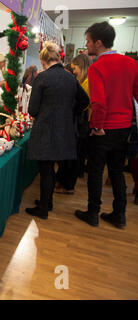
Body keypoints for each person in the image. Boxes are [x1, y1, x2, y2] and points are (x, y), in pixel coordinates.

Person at [75, 21, 138, 229]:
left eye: (88, 41)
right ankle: (119, 215)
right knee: (117, 171)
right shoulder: (131, 64)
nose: (87, 45)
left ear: (98, 43)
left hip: (104, 128)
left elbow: (99, 102)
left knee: (95, 171)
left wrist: (97, 126)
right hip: (124, 127)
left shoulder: (98, 67)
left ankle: (93, 212)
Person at [25, 42, 90, 219]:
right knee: (51, 168)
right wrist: (70, 114)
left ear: (44, 60)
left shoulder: (43, 78)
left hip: (45, 130)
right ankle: (48, 202)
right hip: (64, 131)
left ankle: (44, 209)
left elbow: (32, 110)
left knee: (46, 169)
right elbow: (85, 101)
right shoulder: (70, 78)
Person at [55, 54, 92, 194]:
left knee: (74, 157)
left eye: (75, 68)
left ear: (81, 67)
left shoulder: (87, 82)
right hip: (79, 124)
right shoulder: (83, 81)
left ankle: (68, 185)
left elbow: (84, 102)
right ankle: (66, 183)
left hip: (81, 125)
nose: (74, 71)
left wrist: (72, 112)